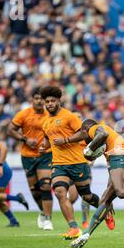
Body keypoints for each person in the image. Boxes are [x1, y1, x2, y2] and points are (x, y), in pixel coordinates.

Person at [40, 86, 100, 239]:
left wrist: (65, 140)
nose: (50, 104)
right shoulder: (45, 121)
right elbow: (48, 138)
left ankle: (106, 208)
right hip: (59, 164)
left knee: (86, 196)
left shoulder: (69, 116)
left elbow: (84, 133)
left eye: (53, 101)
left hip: (77, 162)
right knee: (60, 192)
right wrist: (43, 147)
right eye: (47, 101)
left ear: (59, 101)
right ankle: (73, 228)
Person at [7, 87, 54, 230]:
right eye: (37, 98)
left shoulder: (51, 114)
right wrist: (25, 140)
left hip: (46, 154)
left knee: (45, 185)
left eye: (42, 99)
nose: (39, 101)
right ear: (32, 100)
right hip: (27, 156)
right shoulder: (24, 114)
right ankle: (43, 212)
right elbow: (10, 130)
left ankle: (47, 219)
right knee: (35, 190)